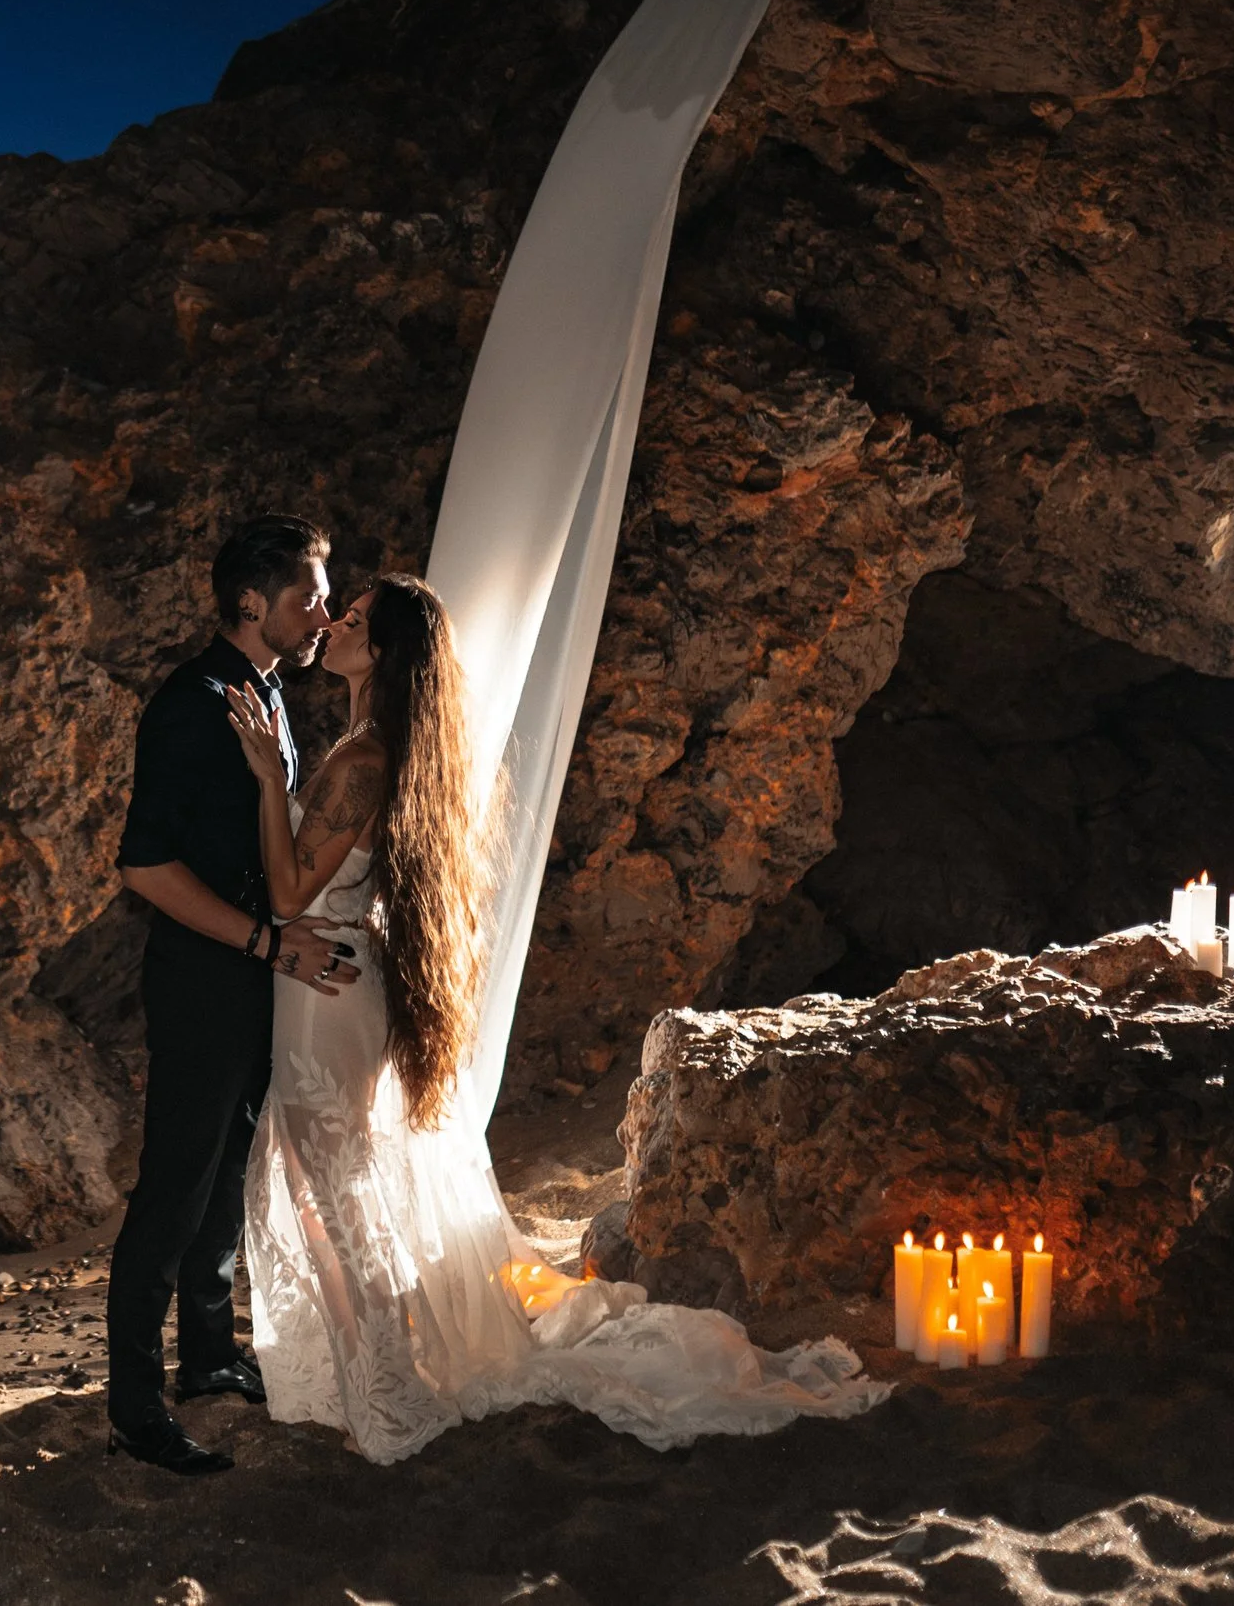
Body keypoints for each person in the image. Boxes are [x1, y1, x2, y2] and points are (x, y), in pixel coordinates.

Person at [224, 574, 887, 1465]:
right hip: (342, 984)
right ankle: (370, 1380)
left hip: (325, 996)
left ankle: (389, 1395)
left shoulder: (360, 759)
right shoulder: (375, 747)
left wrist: (269, 778)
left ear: (378, 650)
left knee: (336, 1202)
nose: (333, 626)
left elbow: (287, 889)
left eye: (350, 619)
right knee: (330, 1195)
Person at [105, 513, 360, 1476]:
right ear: (251, 603)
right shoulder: (190, 702)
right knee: (172, 1189)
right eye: (309, 596)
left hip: (258, 973)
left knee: (224, 1180)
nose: (324, 611)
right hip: (205, 979)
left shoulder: (267, 692)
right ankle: (134, 1408)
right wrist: (264, 940)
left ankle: (208, 1358)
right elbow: (144, 867)